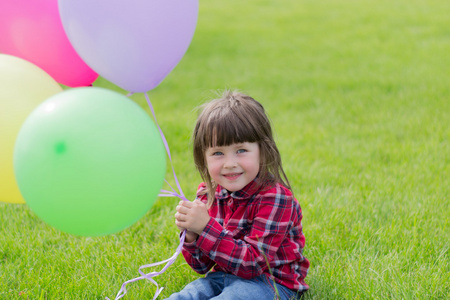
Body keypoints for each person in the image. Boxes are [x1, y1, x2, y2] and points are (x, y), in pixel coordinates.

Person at [168, 91, 309, 300]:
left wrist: (206, 228)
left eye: (241, 150)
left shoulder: (276, 198)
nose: (230, 163)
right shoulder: (208, 195)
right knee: (186, 296)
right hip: (223, 275)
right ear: (203, 157)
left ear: (262, 150)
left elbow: (252, 264)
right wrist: (191, 235)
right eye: (218, 153)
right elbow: (201, 266)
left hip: (272, 284)